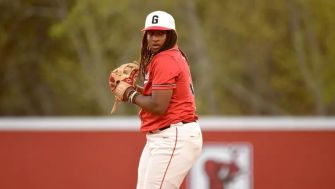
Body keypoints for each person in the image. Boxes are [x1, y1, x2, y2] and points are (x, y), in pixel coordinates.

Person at [111, 10, 203, 189]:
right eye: (151, 33)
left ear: (171, 35)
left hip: (174, 135)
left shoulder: (165, 59)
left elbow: (159, 106)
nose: (154, 38)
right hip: (164, 136)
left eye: (160, 33)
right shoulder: (167, 57)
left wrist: (130, 93)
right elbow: (158, 97)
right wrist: (134, 90)